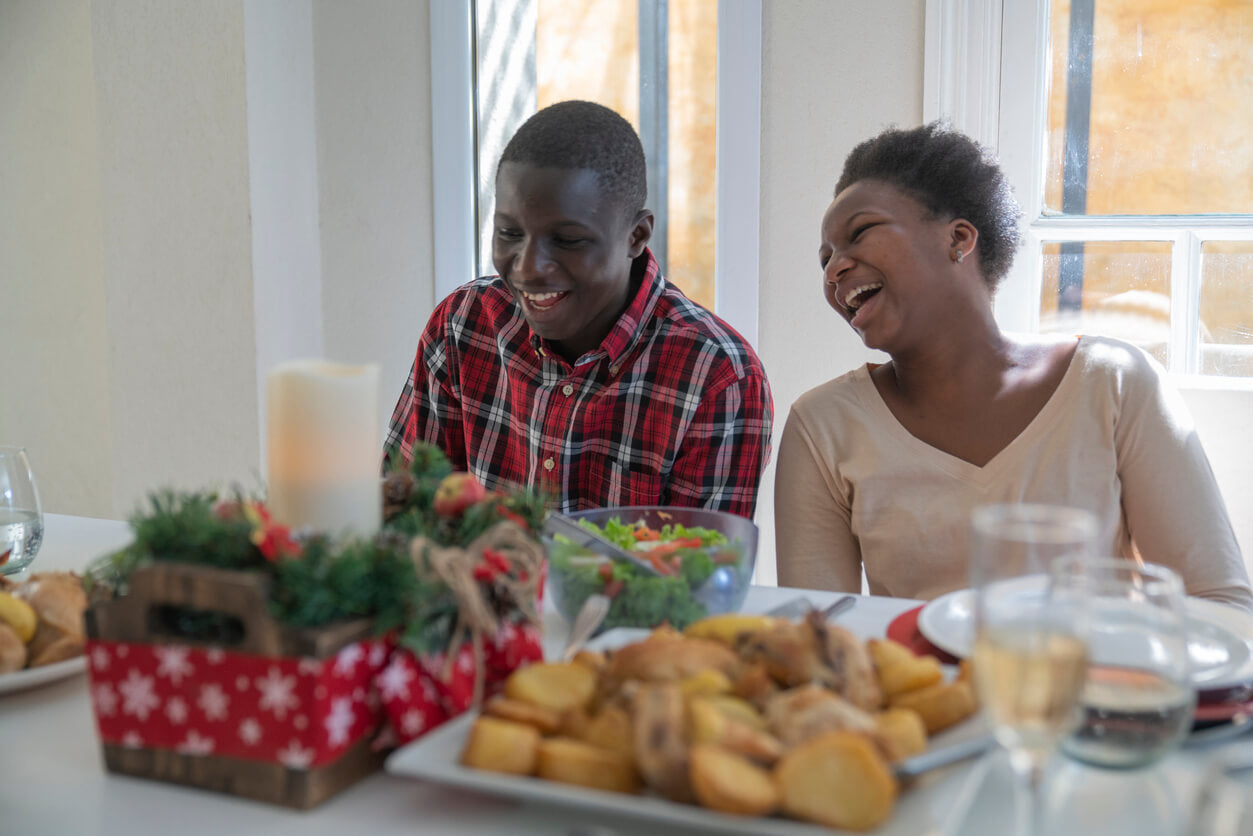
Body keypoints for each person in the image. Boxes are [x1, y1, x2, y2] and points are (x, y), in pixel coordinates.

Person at [775, 121, 1252, 609]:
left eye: (860, 233)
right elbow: (818, 639)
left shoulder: (1113, 382)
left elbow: (1219, 604)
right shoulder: (822, 427)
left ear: (958, 239)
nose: (835, 269)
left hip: (1098, 681)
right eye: (825, 259)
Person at [384, 100, 772, 518]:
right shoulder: (462, 325)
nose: (529, 267)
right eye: (509, 233)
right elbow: (406, 518)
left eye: (568, 240)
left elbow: (697, 574)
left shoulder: (718, 377)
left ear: (636, 236)